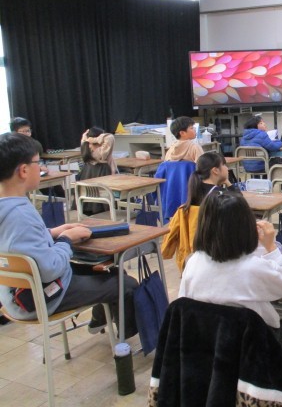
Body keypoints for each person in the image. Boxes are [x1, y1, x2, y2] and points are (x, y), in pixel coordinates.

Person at [179, 190, 282, 387]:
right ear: (245, 226)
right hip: (251, 353)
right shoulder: (252, 267)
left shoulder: (193, 262)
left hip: (207, 349)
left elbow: (184, 305)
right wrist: (271, 247)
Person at [0, 133, 138, 337]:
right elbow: (50, 269)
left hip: (13, 294)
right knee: (126, 284)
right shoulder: (21, 215)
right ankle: (124, 344)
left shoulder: (9, 206)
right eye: (38, 163)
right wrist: (67, 239)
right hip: (40, 296)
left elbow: (16, 243)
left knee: (113, 271)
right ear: (23, 170)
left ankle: (99, 320)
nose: (41, 168)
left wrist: (52, 232)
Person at [161, 152, 237, 273]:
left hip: (194, 252)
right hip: (218, 250)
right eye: (224, 165)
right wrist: (228, 182)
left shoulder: (194, 190)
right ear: (215, 170)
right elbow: (240, 203)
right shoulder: (221, 194)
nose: (227, 168)